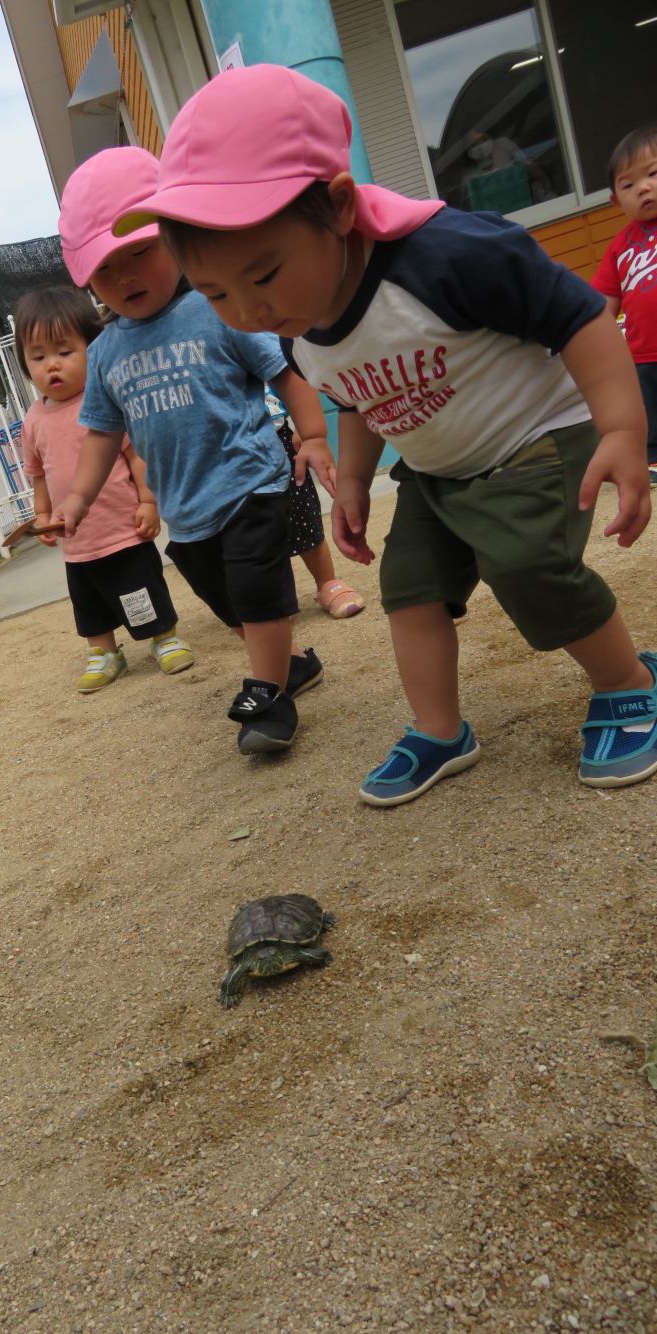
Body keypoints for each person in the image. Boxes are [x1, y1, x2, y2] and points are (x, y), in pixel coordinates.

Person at [113, 63, 656, 803]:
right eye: (213, 293)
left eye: (264, 274)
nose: (246, 310)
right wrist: (357, 481)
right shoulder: (298, 324)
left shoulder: (450, 254)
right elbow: (357, 396)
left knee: (528, 567)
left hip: (532, 438)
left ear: (338, 208)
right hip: (437, 471)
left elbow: (581, 316)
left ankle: (627, 683)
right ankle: (440, 729)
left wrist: (623, 426)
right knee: (410, 590)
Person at [52, 146, 336, 755]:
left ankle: (270, 700)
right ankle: (291, 667)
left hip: (251, 479)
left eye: (140, 253)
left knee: (257, 590)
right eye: (107, 267)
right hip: (186, 508)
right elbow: (102, 433)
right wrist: (76, 497)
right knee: (229, 603)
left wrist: (312, 437)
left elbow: (287, 373)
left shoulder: (217, 309)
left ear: (177, 239)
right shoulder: (103, 354)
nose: (126, 276)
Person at [14, 285, 194, 694]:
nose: (51, 366)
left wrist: (148, 501)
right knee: (89, 600)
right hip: (75, 540)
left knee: (139, 587)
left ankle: (163, 637)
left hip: (121, 527)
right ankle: (104, 651)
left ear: (91, 348)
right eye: (38, 357)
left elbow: (135, 457)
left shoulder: (103, 403)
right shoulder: (33, 421)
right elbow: (38, 474)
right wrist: (43, 517)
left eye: (64, 351)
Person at [591, 124, 657, 487]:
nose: (643, 187)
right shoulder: (620, 246)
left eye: (653, 174)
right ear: (616, 200)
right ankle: (650, 463)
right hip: (642, 355)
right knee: (648, 415)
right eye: (628, 185)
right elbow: (601, 302)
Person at [265, 388, 366, 618]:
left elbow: (287, 374)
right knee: (249, 527)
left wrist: (306, 429)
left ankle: (326, 581)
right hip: (223, 447)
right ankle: (271, 597)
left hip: (275, 434)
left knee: (301, 511)